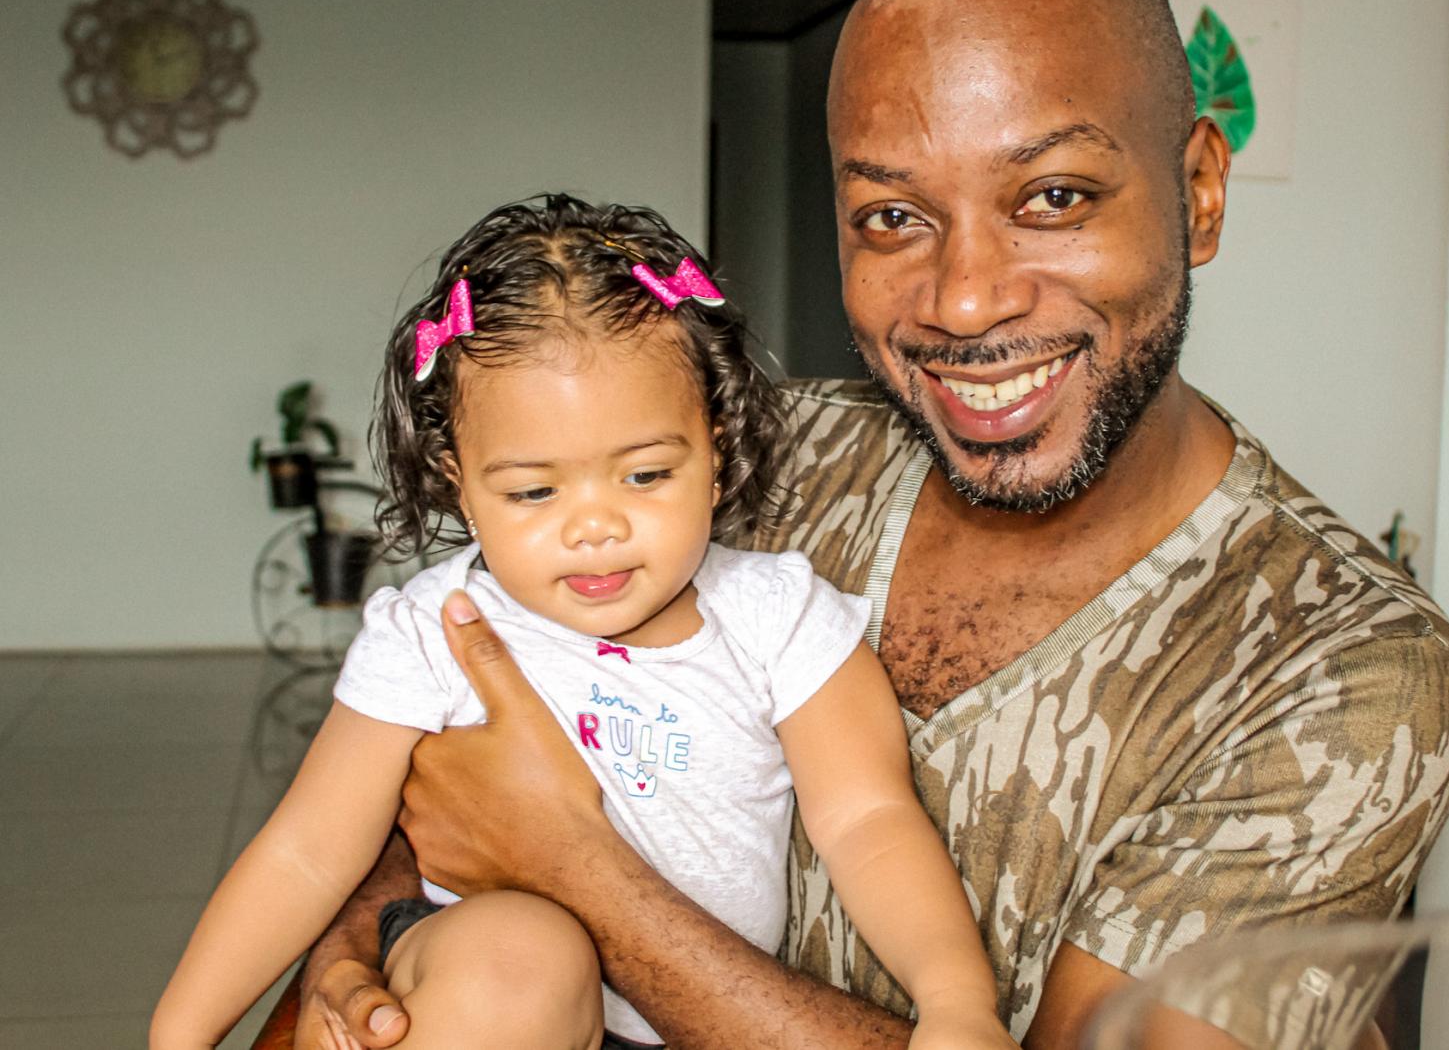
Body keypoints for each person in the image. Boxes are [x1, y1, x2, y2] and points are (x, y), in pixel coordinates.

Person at [294, 0, 1449, 1050]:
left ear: (1198, 187)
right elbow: (433, 736)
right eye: (893, 215)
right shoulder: (749, 460)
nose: (963, 298)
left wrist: (584, 877)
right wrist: (360, 936)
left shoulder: (1342, 671)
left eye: (1052, 197)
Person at [153, 196, 1013, 1050]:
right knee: (521, 955)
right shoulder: (432, 629)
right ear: (459, 483)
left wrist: (954, 1001)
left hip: (689, 1019)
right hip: (481, 1006)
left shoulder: (777, 619)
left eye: (644, 476)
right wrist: (180, 1034)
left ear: (715, 454)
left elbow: (868, 819)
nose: (594, 526)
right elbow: (308, 850)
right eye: (534, 491)